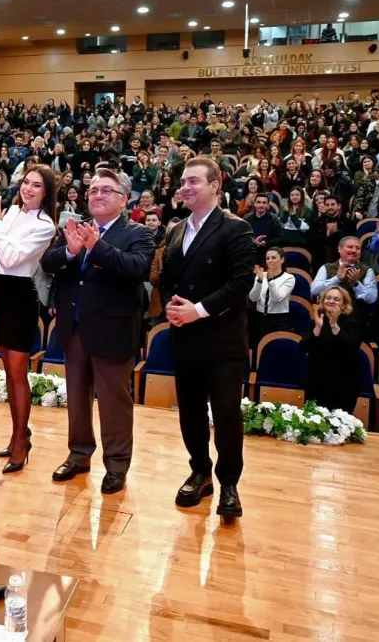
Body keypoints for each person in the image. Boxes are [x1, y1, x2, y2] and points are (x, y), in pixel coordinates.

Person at [41, 167, 154, 495]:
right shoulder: (76, 229)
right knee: (76, 397)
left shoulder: (137, 233)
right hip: (74, 328)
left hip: (113, 330)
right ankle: (79, 454)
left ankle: (116, 464)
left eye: (106, 190)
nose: (97, 195)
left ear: (124, 200)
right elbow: (49, 263)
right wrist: (71, 250)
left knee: (113, 401)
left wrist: (96, 248)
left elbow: (137, 270)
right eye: (93, 191)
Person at [158, 157, 256, 520]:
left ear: (216, 185)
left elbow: (240, 284)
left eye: (194, 181)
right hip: (184, 335)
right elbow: (167, 277)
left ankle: (229, 482)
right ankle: (200, 471)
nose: (185, 187)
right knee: (191, 410)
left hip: (222, 337)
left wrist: (196, 310)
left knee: (227, 412)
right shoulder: (176, 230)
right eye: (182, 181)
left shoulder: (236, 228)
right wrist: (171, 305)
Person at [0, 166, 58, 474]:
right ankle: (18, 433)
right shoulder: (12, 212)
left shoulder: (46, 226)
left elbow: (12, 257)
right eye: (26, 182)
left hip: (20, 297)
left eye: (36, 185)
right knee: (7, 371)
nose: (28, 188)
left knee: (17, 373)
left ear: (46, 192)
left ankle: (20, 441)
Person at [303, 286, 362, 413]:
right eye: (328, 298)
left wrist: (334, 325)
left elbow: (351, 347)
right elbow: (304, 346)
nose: (331, 301)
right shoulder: (315, 321)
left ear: (344, 304)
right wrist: (318, 328)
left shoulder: (352, 323)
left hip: (343, 383)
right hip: (316, 382)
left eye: (336, 299)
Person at [310, 236, 378, 319]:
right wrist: (337, 279)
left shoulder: (367, 271)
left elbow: (371, 299)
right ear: (339, 249)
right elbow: (314, 290)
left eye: (357, 248)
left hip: (355, 319)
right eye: (350, 247)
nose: (354, 251)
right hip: (327, 317)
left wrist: (356, 284)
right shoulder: (326, 267)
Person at [248, 247, 294, 344]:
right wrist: (259, 281)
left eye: (273, 258)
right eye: (267, 258)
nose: (270, 261)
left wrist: (270, 280)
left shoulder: (289, 278)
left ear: (282, 260)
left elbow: (277, 298)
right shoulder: (261, 275)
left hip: (278, 320)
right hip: (259, 318)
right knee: (257, 348)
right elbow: (252, 298)